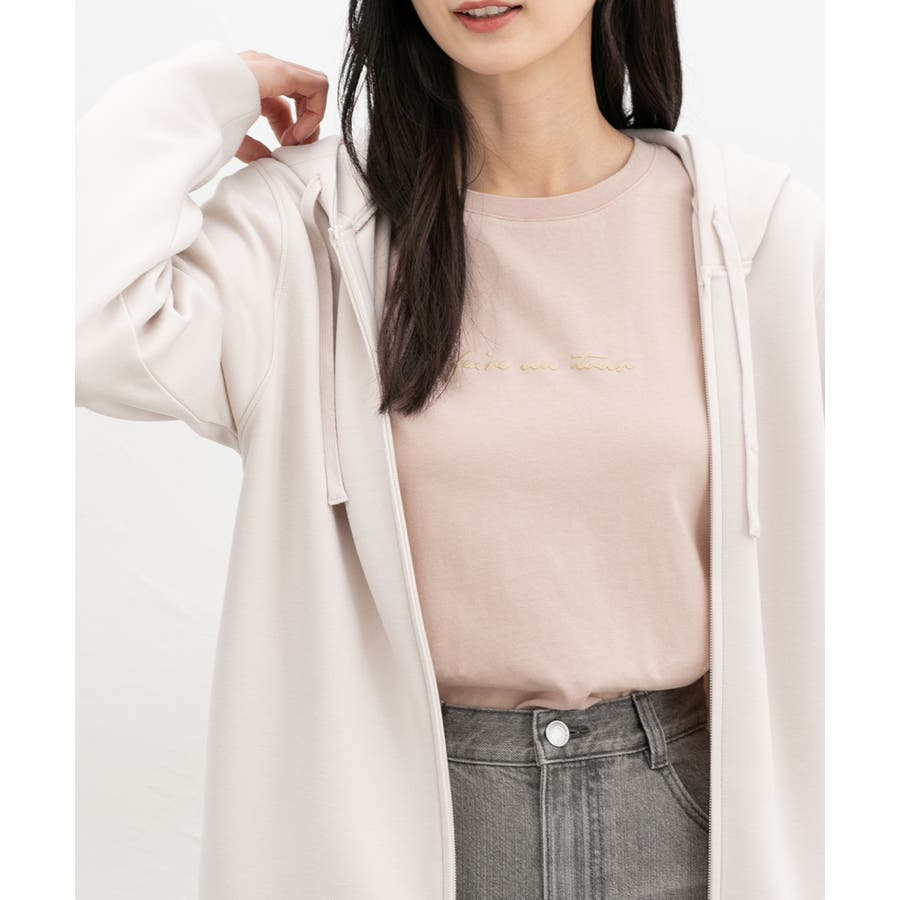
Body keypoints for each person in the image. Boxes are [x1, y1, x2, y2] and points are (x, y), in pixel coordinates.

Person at [76, 2, 825, 898]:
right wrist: (203, 96)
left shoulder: (753, 236)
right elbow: (75, 327)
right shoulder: (310, 230)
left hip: (687, 821)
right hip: (397, 829)